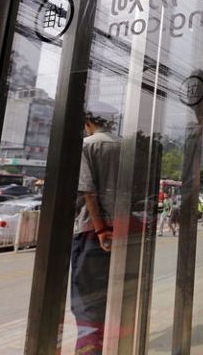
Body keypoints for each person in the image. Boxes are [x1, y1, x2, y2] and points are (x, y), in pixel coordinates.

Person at [71, 101, 121, 355]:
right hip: (122, 228)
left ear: (88, 123)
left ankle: (89, 350)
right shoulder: (124, 146)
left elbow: (88, 192)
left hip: (93, 232)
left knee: (85, 300)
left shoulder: (87, 145)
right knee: (110, 295)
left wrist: (101, 230)